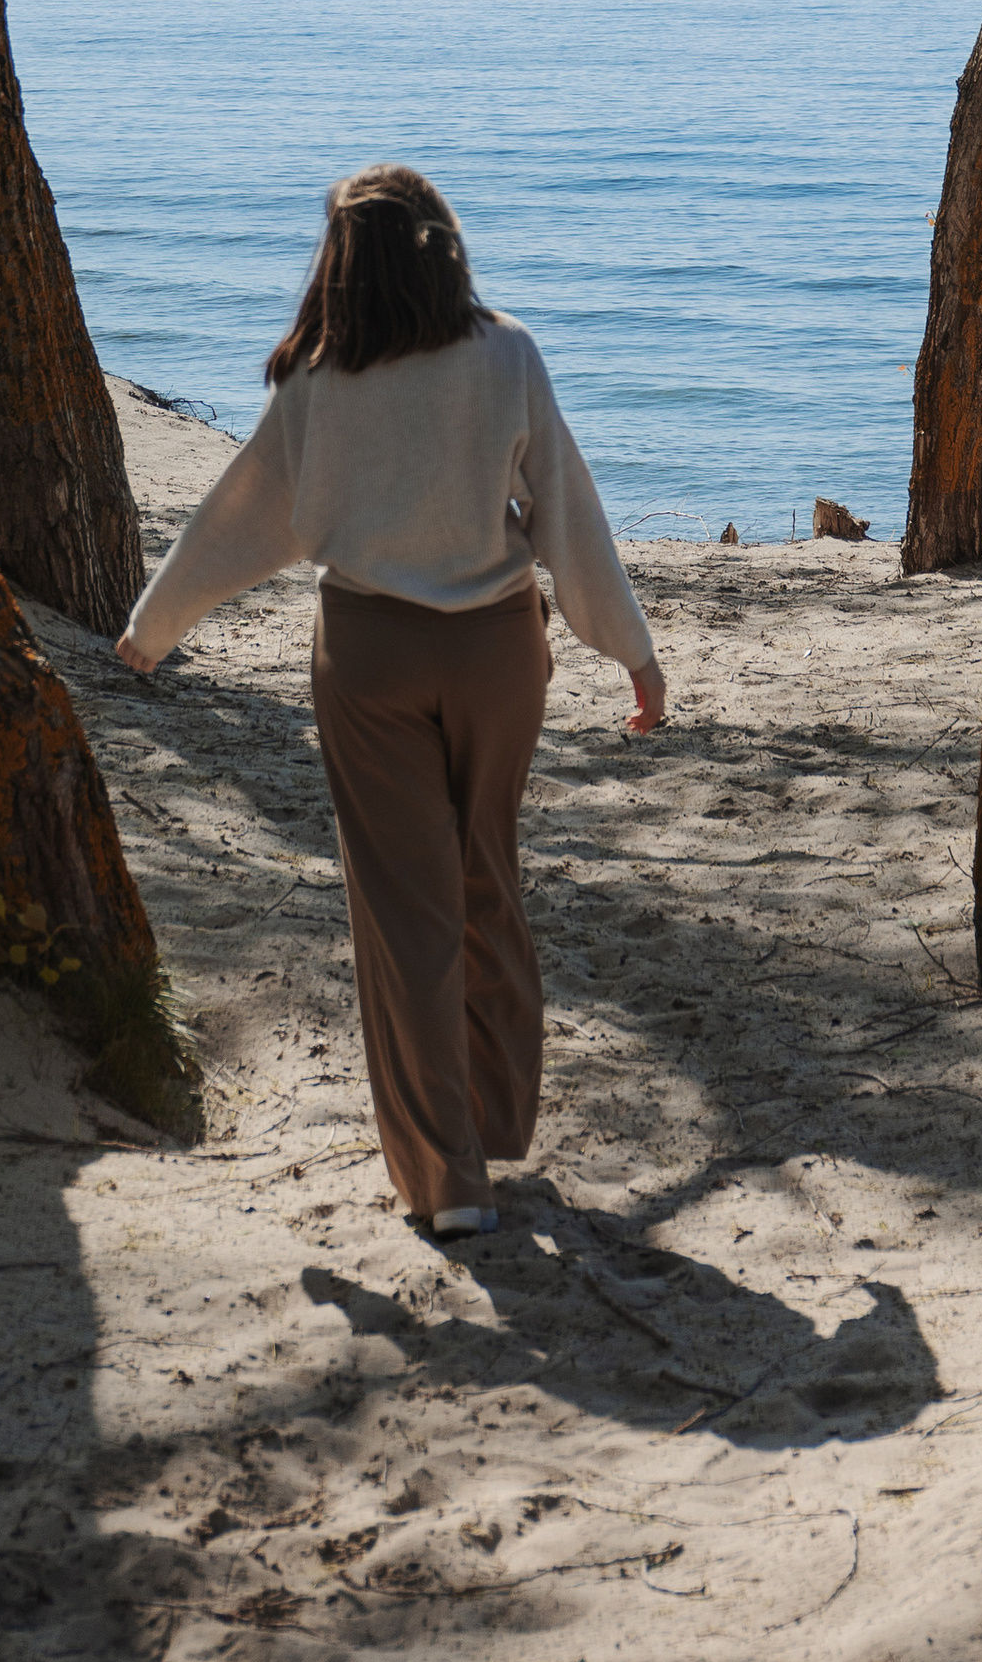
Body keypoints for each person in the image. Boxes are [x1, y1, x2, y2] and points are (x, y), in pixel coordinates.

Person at [115, 166, 665, 1238]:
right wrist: (631, 654)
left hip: (370, 657)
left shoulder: (317, 381)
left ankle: (451, 1179)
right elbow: (568, 512)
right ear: (444, 246)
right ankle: (497, 1120)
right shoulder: (506, 353)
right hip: (499, 653)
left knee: (405, 913)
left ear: (340, 263)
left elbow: (240, 522)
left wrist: (154, 627)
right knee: (484, 877)